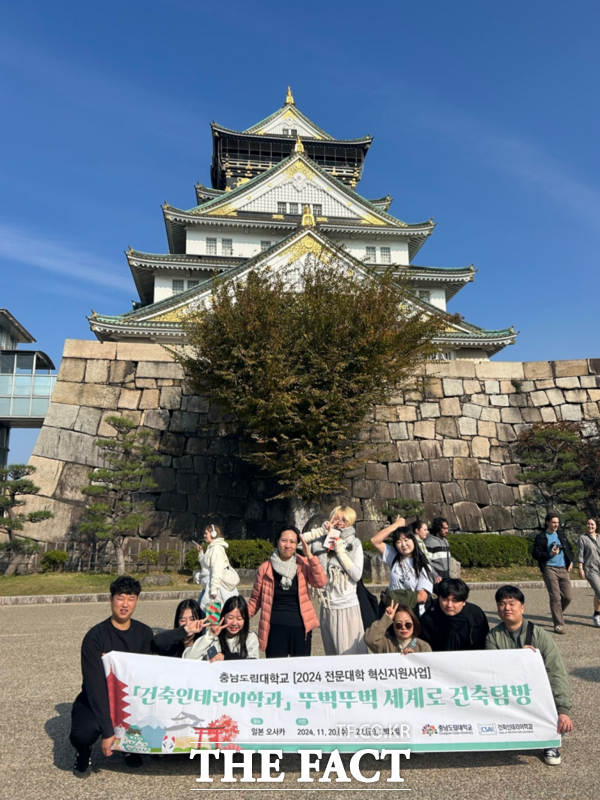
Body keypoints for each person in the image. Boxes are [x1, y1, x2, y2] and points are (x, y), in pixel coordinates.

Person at [70, 576, 154, 779]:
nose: (125, 604)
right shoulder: (95, 637)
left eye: (131, 598)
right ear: (110, 600)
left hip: (129, 698)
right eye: (120, 598)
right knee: (83, 732)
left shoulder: (144, 633)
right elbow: (95, 686)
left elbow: (151, 673)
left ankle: (129, 747)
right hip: (99, 698)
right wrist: (108, 732)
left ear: (137, 601)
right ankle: (83, 752)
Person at [486, 585, 573, 766]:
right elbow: (493, 671)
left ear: (522, 607)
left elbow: (556, 672)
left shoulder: (540, 635)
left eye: (512, 603)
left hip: (536, 694)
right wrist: (519, 657)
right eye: (501, 604)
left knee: (551, 708)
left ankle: (550, 742)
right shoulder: (493, 636)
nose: (506, 608)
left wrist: (563, 710)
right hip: (509, 693)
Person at [247, 525, 327, 657]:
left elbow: (321, 582)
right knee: (277, 673)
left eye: (292, 542)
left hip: (301, 627)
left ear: (297, 545)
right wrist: (237, 617)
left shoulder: (303, 564)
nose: (287, 545)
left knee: (300, 672)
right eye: (284, 540)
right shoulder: (265, 568)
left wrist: (310, 556)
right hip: (274, 627)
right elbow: (255, 600)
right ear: (277, 541)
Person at [302, 506, 367, 655]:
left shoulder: (355, 543)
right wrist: (321, 532)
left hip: (347, 605)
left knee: (348, 654)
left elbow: (357, 575)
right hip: (327, 606)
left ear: (350, 522)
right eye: (336, 518)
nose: (340, 523)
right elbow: (297, 542)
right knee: (331, 654)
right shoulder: (322, 540)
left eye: (345, 520)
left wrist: (340, 551)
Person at [370, 519, 434, 615]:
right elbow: (375, 541)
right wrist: (396, 525)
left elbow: (422, 597)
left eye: (406, 540)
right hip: (391, 613)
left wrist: (390, 597)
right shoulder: (394, 557)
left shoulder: (423, 566)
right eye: (398, 542)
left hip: (412, 613)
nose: (403, 544)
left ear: (413, 540)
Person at [419, 578, 489, 651]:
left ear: (464, 601)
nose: (449, 605)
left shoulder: (475, 614)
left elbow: (485, 641)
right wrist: (411, 647)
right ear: (439, 598)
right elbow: (417, 641)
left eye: (454, 601)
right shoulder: (429, 617)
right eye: (445, 599)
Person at [532, 513, 574, 634]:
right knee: (555, 596)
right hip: (549, 568)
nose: (556, 525)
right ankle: (559, 624)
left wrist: (571, 561)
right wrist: (550, 554)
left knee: (567, 597)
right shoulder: (541, 537)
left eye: (557, 522)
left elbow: (569, 549)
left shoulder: (561, 534)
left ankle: (557, 612)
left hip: (563, 568)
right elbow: (536, 554)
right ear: (547, 522)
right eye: (553, 522)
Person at [184, 596, 259, 661]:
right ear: (223, 617)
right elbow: (188, 658)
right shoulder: (213, 637)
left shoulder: (250, 637)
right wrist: (210, 636)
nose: (234, 623)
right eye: (230, 618)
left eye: (239, 619)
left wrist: (227, 657)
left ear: (245, 620)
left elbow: (252, 663)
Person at [195, 523, 240, 618]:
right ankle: (207, 632)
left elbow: (217, 571)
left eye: (206, 533)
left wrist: (214, 590)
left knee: (212, 618)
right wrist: (200, 553)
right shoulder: (212, 548)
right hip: (213, 585)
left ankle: (212, 632)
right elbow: (206, 564)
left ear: (213, 534)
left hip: (219, 587)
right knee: (203, 613)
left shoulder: (216, 549)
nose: (204, 535)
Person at [364, 601, 432, 655]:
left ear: (414, 624)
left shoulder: (423, 647)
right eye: (398, 625)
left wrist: (414, 659)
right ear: (393, 625)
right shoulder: (386, 642)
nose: (403, 628)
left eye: (408, 624)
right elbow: (370, 639)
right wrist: (387, 618)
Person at [577, 517, 600, 627]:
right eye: (588, 524)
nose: (590, 526)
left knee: (597, 592)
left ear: (596, 526)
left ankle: (596, 615)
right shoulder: (583, 538)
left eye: (592, 524)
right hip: (591, 569)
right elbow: (580, 554)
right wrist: (580, 568)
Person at [411, 519, 441, 583]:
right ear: (417, 530)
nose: (427, 532)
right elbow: (425, 561)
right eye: (425, 530)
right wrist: (434, 574)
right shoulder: (414, 543)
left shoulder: (421, 542)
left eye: (427, 530)